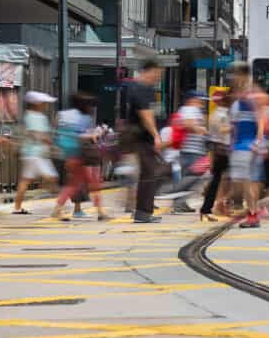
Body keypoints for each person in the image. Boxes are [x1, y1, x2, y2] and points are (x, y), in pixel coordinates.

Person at [52, 93, 110, 221]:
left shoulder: (62, 115)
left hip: (68, 154)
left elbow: (56, 133)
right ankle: (100, 212)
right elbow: (80, 136)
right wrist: (93, 135)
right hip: (81, 155)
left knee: (74, 184)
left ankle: (57, 209)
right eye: (90, 105)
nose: (92, 108)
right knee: (94, 184)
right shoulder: (83, 117)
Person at [122, 59, 165, 223]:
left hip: (141, 138)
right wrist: (156, 135)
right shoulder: (142, 89)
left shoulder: (141, 88)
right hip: (142, 138)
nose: (158, 78)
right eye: (157, 74)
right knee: (149, 173)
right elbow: (146, 116)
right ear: (149, 71)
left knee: (148, 173)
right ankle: (143, 213)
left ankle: (142, 212)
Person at [228, 62, 265, 228]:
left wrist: (257, 141)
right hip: (239, 146)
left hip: (247, 146)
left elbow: (261, 120)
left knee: (246, 182)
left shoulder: (251, 95)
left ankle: (253, 214)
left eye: (235, 74)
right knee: (242, 182)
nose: (232, 77)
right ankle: (253, 211)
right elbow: (235, 125)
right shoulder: (239, 95)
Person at [13, 91, 59, 214]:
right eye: (44, 103)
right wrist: (50, 143)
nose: (46, 105)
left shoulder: (29, 115)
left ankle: (17, 207)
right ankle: (59, 209)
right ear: (36, 104)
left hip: (30, 153)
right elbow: (37, 134)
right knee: (52, 178)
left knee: (25, 180)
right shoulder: (37, 117)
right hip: (37, 154)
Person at [200, 90, 232, 221]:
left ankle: (212, 207)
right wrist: (236, 126)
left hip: (220, 149)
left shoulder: (216, 113)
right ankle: (213, 206)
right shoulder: (220, 114)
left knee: (220, 180)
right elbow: (222, 130)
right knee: (222, 179)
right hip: (222, 149)